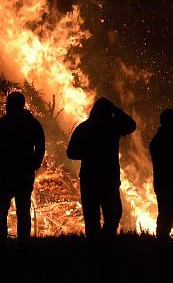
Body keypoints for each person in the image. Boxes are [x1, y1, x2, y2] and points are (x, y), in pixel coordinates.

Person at [67, 97, 136, 240]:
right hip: (106, 178)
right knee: (112, 215)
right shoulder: (112, 128)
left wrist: (88, 153)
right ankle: (105, 245)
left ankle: (96, 248)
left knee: (94, 218)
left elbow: (71, 152)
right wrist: (115, 108)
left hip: (92, 179)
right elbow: (130, 125)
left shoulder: (86, 127)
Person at [0, 91, 45, 244]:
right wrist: (34, 165)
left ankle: (0, 244)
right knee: (22, 211)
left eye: (9, 103)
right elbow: (40, 148)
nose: (7, 106)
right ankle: (23, 244)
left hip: (5, 174)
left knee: (1, 212)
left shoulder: (3, 123)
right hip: (21, 174)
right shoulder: (32, 123)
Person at [149, 108, 173, 240]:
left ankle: (162, 241)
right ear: (169, 121)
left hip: (166, 184)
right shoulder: (164, 141)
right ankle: (162, 242)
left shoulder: (163, 139)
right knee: (167, 216)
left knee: (167, 215)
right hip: (168, 184)